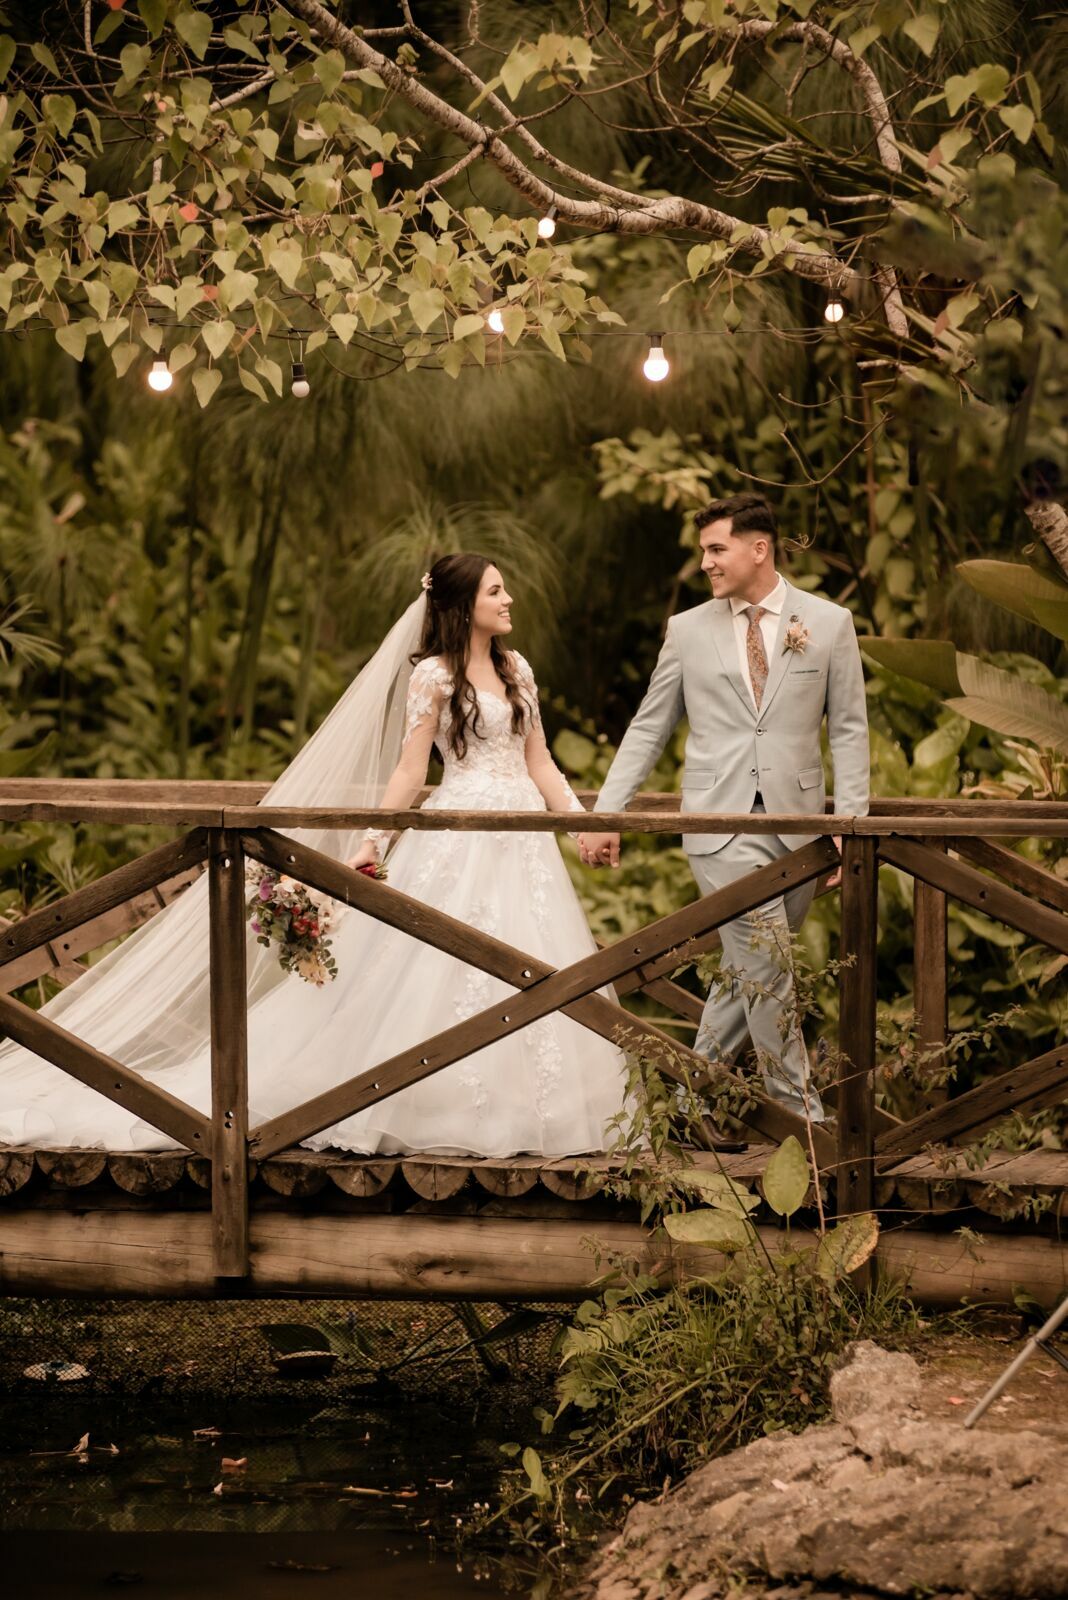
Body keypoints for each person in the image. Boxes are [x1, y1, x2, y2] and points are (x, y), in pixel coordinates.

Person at [0, 554, 627, 1157]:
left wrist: (581, 827)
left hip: (525, 844)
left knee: (535, 960)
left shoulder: (518, 668)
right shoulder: (433, 675)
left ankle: (530, 1106)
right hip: (460, 837)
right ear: (463, 606)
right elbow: (411, 770)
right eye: (495, 590)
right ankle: (424, 1101)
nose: (508, 598)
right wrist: (371, 844)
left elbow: (538, 759)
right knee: (439, 968)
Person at [578, 492, 870, 1123]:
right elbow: (649, 728)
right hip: (716, 826)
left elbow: (848, 729)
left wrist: (851, 822)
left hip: (800, 829)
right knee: (766, 959)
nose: (706, 563)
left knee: (747, 972)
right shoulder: (687, 630)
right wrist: (608, 812)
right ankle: (803, 1118)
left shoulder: (829, 622)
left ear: (758, 549)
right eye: (704, 550)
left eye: (716, 548)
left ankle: (688, 1106)